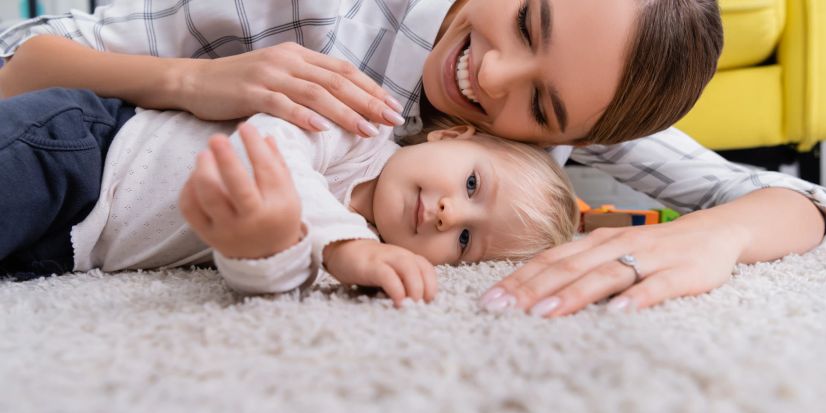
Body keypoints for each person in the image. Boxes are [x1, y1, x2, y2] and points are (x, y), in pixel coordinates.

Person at [0, 0, 826, 317]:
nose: (493, 72)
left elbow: (789, 197)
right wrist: (194, 79)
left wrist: (713, 239)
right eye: (529, 20)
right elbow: (19, 61)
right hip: (83, 138)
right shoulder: (325, 13)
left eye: (542, 107)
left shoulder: (582, 110)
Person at [0, 87, 579, 304]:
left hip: (69, 248)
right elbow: (268, 145)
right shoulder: (359, 128)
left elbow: (259, 278)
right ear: (453, 134)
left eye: (467, 240)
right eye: (473, 184)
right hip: (85, 151)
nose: (450, 212)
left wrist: (277, 253)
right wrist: (345, 247)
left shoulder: (358, 257)